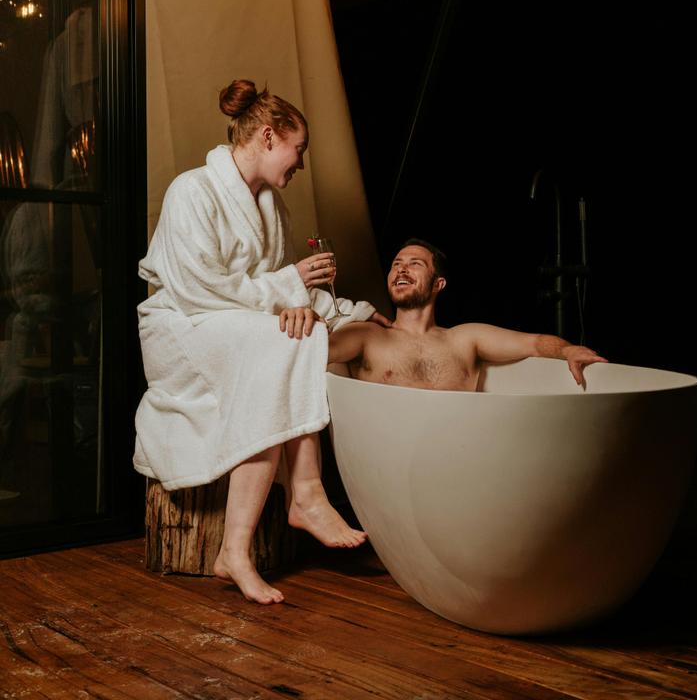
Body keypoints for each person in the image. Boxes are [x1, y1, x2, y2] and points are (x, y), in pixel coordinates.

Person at [134, 79, 386, 605]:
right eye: (298, 151)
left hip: (233, 326)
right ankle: (306, 493)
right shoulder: (192, 191)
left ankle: (240, 546)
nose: (300, 165)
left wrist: (352, 313)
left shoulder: (273, 208)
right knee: (283, 343)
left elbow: (283, 297)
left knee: (296, 335)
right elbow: (200, 290)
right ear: (269, 137)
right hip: (180, 327)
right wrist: (291, 285)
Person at [321, 239, 606, 391]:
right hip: (388, 462)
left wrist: (568, 350)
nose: (401, 270)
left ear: (438, 284)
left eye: (415, 264)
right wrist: (310, 318)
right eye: (396, 264)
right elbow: (313, 352)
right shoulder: (366, 336)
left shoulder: (465, 339)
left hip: (461, 457)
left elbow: (534, 343)